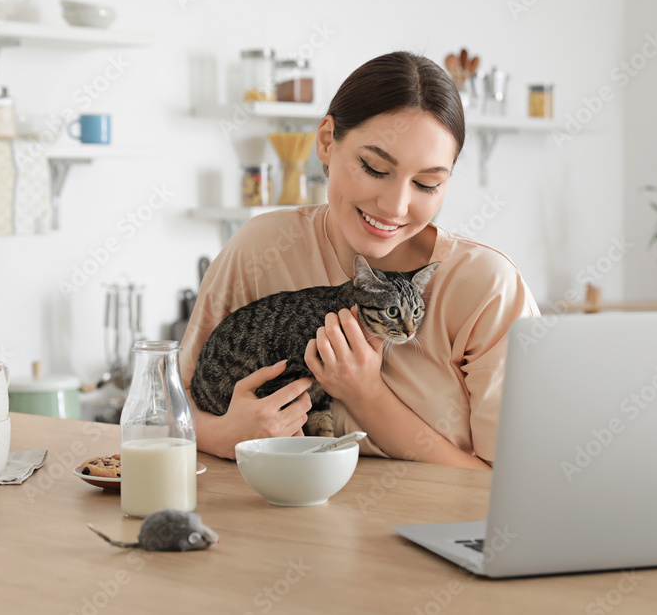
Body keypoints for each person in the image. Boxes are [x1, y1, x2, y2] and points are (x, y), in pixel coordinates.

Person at [180, 51, 538, 469]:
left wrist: (365, 393)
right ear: (327, 141)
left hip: (429, 532)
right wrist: (222, 436)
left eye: (427, 184)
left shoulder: (487, 288)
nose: (395, 206)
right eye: (374, 167)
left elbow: (512, 487)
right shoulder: (261, 248)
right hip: (269, 528)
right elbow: (165, 413)